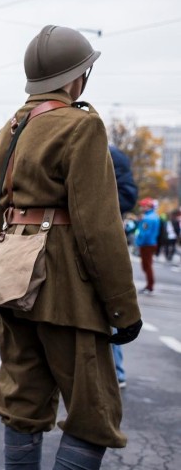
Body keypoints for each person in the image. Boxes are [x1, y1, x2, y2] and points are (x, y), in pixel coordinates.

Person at [0, 25, 142, 470]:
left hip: (13, 277)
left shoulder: (13, 127)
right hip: (65, 291)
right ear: (77, 78)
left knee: (22, 405)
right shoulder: (81, 126)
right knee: (94, 415)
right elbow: (99, 227)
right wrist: (123, 308)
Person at [108, 144, 138, 388]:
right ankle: (116, 371)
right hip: (103, 229)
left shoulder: (111, 154)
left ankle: (116, 371)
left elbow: (126, 197)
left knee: (107, 299)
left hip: (104, 230)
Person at [135, 197, 160, 295]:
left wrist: (139, 242)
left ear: (148, 206)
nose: (142, 207)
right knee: (147, 265)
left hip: (146, 244)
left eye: (143, 205)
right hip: (151, 243)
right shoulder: (153, 216)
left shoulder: (148, 218)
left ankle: (150, 286)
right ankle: (149, 285)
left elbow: (145, 233)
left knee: (147, 265)